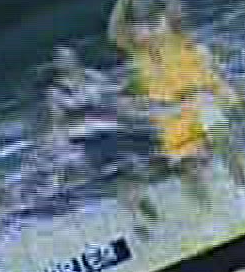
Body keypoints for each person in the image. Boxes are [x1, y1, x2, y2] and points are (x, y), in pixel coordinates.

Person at [107, 0, 245, 210]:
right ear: (132, 10)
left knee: (223, 140)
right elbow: (114, 30)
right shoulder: (134, 39)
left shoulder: (171, 24)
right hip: (169, 108)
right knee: (187, 168)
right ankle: (209, 213)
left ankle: (244, 196)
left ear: (154, 1)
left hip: (198, 96)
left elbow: (178, 9)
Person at [46, 45, 161, 234]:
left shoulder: (93, 76)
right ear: (57, 65)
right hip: (87, 138)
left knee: (129, 174)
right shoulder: (56, 91)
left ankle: (139, 205)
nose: (66, 62)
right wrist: (63, 143)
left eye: (68, 58)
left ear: (75, 59)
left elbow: (114, 98)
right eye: (61, 60)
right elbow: (58, 120)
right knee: (117, 180)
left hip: (109, 130)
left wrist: (133, 108)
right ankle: (137, 219)